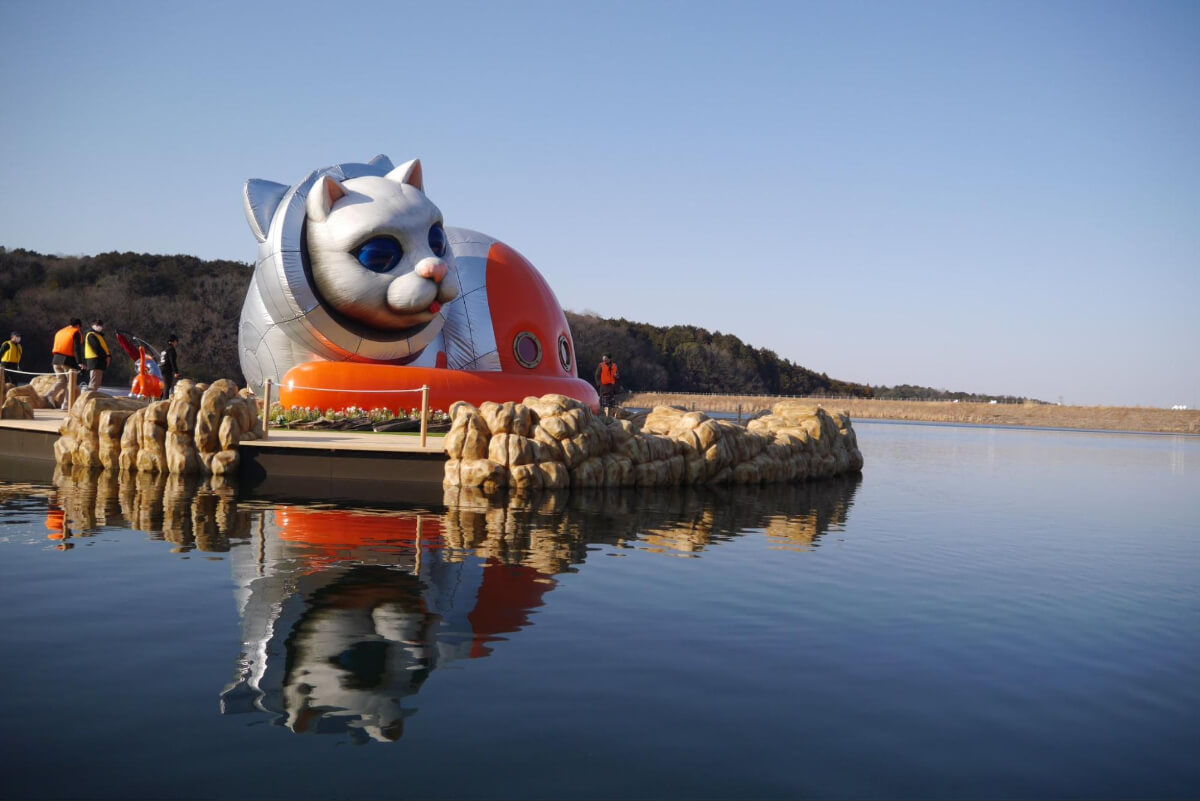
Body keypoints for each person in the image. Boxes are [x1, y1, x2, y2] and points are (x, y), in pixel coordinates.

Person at [48, 318, 85, 409]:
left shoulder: (60, 332)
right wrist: (80, 362)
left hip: (56, 360)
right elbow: (77, 349)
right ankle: (66, 404)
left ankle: (50, 395)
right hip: (67, 361)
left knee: (61, 381)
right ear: (78, 326)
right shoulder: (75, 332)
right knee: (70, 383)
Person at [83, 319, 111, 391]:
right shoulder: (91, 335)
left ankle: (91, 396)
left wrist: (108, 356)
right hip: (94, 361)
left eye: (101, 325)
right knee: (93, 383)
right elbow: (96, 348)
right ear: (92, 326)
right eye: (97, 325)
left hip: (99, 361)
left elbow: (104, 348)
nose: (99, 327)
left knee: (96, 383)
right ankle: (88, 398)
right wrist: (106, 357)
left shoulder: (98, 335)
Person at [159, 334, 180, 399]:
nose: (177, 343)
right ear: (173, 341)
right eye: (176, 341)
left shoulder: (165, 349)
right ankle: (165, 401)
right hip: (167, 369)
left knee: (166, 386)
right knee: (167, 386)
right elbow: (172, 361)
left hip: (162, 368)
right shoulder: (171, 350)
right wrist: (176, 372)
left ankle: (159, 399)